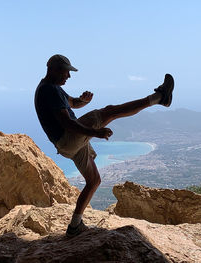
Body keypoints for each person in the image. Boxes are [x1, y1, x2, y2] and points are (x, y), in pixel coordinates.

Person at [34, 54, 174, 237]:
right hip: (69, 137)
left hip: (66, 146)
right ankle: (160, 97)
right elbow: (67, 122)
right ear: (52, 69)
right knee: (110, 112)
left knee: (94, 181)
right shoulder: (49, 90)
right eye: (66, 72)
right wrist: (95, 133)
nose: (68, 76)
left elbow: (72, 103)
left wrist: (83, 101)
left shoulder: (52, 88)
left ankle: (75, 225)